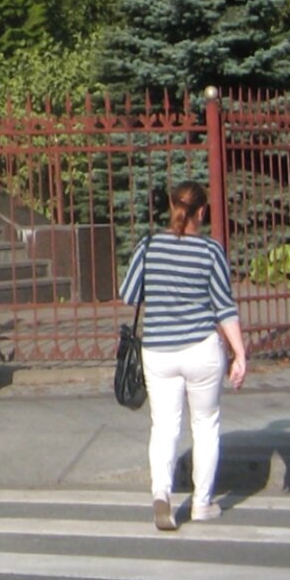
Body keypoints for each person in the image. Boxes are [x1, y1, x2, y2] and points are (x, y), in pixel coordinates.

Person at [119, 181, 247, 530]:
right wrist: (239, 353)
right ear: (201, 212)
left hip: (158, 350)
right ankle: (202, 504)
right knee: (205, 425)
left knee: (164, 427)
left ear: (172, 207)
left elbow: (129, 294)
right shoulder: (210, 250)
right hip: (201, 349)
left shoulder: (149, 246)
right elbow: (223, 306)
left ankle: (161, 493)